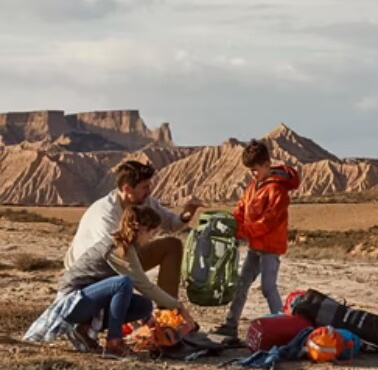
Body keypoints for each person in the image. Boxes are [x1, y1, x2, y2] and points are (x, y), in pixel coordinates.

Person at [28, 206, 196, 358]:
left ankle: (84, 329)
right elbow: (144, 285)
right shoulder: (116, 247)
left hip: (90, 302)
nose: (152, 238)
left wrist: (147, 318)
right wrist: (178, 306)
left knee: (144, 305)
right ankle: (113, 343)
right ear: (143, 230)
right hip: (73, 301)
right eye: (153, 233)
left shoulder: (128, 247)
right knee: (123, 283)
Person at [64, 160, 204, 298]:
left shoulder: (144, 202)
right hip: (93, 274)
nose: (149, 192)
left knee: (172, 245)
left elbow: (171, 224)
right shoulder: (106, 214)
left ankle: (167, 310)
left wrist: (187, 214)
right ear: (127, 189)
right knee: (129, 293)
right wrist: (142, 285)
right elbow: (113, 256)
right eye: (145, 187)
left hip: (125, 256)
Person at [215, 139, 300, 338]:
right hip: (255, 246)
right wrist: (233, 225)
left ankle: (282, 327)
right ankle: (230, 325)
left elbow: (268, 221)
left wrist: (244, 231)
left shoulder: (277, 190)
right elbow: (241, 208)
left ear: (267, 164)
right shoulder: (254, 186)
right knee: (241, 284)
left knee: (268, 287)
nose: (252, 174)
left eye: (255, 170)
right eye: (250, 170)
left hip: (270, 247)